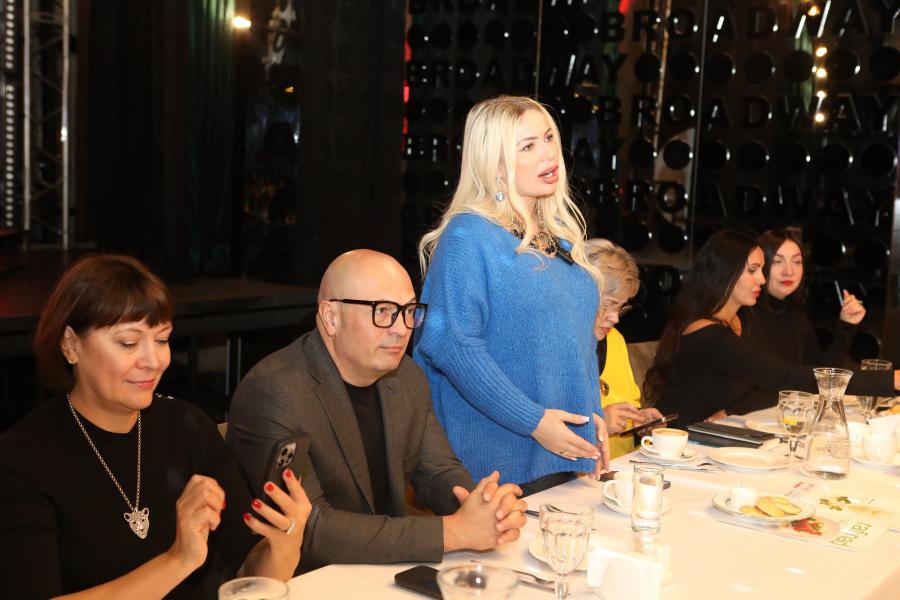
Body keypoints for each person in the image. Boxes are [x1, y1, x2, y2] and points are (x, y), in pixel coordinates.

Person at [0, 255, 311, 599]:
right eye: (129, 343)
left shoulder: (188, 427)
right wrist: (178, 559)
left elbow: (250, 575)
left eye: (162, 340)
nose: (153, 361)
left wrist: (286, 541)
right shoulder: (23, 458)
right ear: (71, 344)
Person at [228, 250, 527, 573]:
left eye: (409, 311)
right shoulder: (274, 392)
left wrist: (482, 508)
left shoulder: (407, 377)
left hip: (385, 570)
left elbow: (438, 471)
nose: (402, 329)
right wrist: (452, 532)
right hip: (306, 580)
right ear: (331, 317)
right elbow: (311, 529)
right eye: (383, 311)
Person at [413, 95, 609, 497]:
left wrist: (593, 415)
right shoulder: (469, 236)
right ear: (495, 165)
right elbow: (452, 345)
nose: (549, 153)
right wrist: (533, 421)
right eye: (528, 146)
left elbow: (576, 345)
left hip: (561, 457)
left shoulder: (560, 242)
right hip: (495, 467)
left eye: (549, 138)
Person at [644, 230, 900, 425]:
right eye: (753, 270)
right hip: (673, 443)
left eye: (762, 269)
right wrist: (891, 381)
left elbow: (794, 374)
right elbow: (786, 376)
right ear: (725, 272)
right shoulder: (707, 332)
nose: (762, 279)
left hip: (712, 438)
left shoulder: (740, 321)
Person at [742, 228, 865, 368]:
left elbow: (818, 373)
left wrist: (847, 325)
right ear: (758, 266)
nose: (789, 272)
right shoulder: (744, 316)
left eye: (796, 262)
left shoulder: (798, 316)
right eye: (777, 261)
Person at [585, 239, 662, 458]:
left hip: (623, 466)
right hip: (579, 473)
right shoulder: (553, 345)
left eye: (620, 307)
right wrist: (597, 422)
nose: (615, 317)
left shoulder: (615, 339)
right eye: (607, 304)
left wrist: (640, 421)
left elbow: (628, 403)